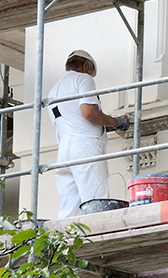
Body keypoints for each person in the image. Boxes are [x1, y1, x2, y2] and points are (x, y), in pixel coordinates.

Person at [48, 50, 129, 219]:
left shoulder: (54, 90)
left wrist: (104, 124)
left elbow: (74, 118)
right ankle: (97, 239)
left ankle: (68, 242)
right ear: (85, 66)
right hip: (84, 148)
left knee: (69, 209)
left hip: (64, 152)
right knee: (95, 201)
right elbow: (88, 113)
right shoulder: (83, 79)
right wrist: (114, 122)